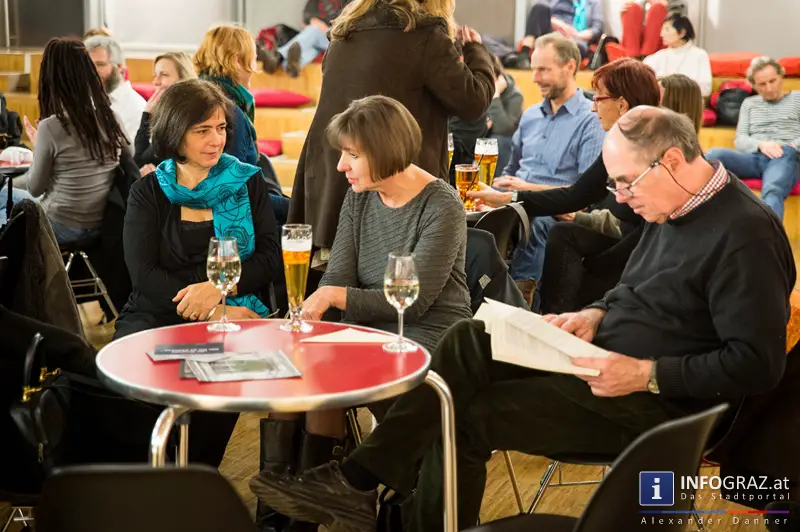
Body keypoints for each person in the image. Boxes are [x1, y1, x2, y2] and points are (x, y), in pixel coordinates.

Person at [251, 106, 796, 532]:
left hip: (657, 405)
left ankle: (360, 484)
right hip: (600, 361)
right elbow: (636, 287)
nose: (621, 198)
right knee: (468, 338)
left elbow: (757, 365)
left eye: (625, 183)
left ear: (672, 161)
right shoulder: (670, 204)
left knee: (459, 415)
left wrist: (646, 373)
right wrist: (594, 312)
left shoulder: (744, 235)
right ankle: (359, 482)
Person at [254, 95, 472, 532]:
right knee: (298, 370)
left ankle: (326, 503)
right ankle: (285, 515)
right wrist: (317, 323)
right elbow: (339, 276)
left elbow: (416, 301)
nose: (341, 166)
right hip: (368, 327)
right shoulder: (360, 196)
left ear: (386, 149)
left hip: (428, 332)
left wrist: (333, 297)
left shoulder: (441, 204)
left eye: (352, 154)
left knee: (327, 369)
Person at [287, 0, 495, 257]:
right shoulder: (425, 37)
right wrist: (477, 52)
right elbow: (473, 102)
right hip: (390, 187)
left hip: (329, 181)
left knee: (334, 281)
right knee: (395, 283)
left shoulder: (344, 32)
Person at [470, 57, 659, 314]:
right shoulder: (621, 143)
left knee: (559, 232)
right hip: (623, 237)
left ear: (622, 104)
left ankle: (550, 315)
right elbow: (575, 195)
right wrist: (508, 197)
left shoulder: (649, 147)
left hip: (645, 248)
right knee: (556, 229)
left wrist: (578, 217)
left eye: (598, 99)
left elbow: (632, 225)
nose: (594, 109)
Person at [114, 78, 281, 338]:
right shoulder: (148, 191)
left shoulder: (248, 180)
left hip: (236, 301)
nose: (216, 140)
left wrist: (220, 290)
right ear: (175, 133)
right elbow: (144, 275)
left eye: (221, 128)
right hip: (161, 308)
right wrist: (210, 310)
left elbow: (270, 258)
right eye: (202, 131)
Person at [491, 32, 604, 303]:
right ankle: (481, 299)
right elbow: (511, 169)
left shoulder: (591, 119)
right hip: (515, 201)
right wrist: (500, 185)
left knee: (534, 221)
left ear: (570, 67)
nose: (534, 78)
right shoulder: (530, 116)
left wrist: (523, 189)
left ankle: (521, 304)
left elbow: (585, 195)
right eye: (533, 69)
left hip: (554, 210)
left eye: (543, 69)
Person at [13, 38, 128, 245]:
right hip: (102, 224)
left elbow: (35, 188)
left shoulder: (51, 127)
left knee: (6, 194)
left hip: (59, 225)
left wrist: (39, 147)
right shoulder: (113, 120)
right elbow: (128, 160)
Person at [705, 57, 800, 221]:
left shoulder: (797, 98)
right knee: (712, 156)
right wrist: (761, 145)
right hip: (754, 156)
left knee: (773, 189)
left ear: (781, 76)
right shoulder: (749, 103)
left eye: (773, 81)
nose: (769, 88)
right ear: (754, 85)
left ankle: (769, 242)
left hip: (785, 155)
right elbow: (740, 140)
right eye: (762, 84)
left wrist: (789, 146)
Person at [193, 25, 260, 167]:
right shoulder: (230, 111)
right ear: (237, 61)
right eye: (254, 59)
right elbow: (234, 177)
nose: (255, 69)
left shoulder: (187, 94)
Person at [134, 52, 197, 172]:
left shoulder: (188, 120)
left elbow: (140, 162)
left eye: (164, 74)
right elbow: (139, 161)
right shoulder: (167, 116)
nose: (156, 82)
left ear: (184, 80)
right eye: (155, 75)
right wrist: (147, 115)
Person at [259, 0, 349, 78]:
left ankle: (278, 57)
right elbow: (306, 20)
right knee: (313, 48)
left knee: (314, 30)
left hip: (339, 40)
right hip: (320, 41)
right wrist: (313, 23)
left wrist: (328, 29)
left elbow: (352, 22)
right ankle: (290, 67)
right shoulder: (315, 2)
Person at [85, 35, 146, 141]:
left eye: (100, 64)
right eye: (88, 65)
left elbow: (131, 155)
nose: (92, 71)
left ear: (120, 67)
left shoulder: (136, 107)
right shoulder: (85, 98)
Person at [643, 13, 712, 97]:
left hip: (688, 104)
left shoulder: (699, 55)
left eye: (667, 29)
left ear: (682, 33)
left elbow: (706, 89)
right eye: (662, 29)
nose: (662, 34)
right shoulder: (657, 57)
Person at [519, 0, 605, 64]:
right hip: (552, 32)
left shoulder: (593, 2)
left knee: (573, 47)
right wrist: (557, 23)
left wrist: (576, 34)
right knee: (539, 7)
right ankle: (523, 56)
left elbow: (597, 28)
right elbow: (542, 14)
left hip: (575, 39)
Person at [487, 55, 524, 176]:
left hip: (502, 146)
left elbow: (504, 128)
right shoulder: (477, 89)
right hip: (477, 140)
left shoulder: (515, 96)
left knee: (500, 140)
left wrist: (495, 96)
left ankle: (496, 186)